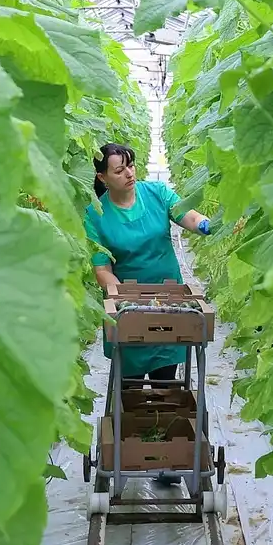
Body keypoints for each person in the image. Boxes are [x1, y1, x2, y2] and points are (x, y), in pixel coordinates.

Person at [84, 143, 212, 384]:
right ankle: (136, 420)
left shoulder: (157, 193)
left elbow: (188, 215)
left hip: (170, 301)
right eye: (119, 170)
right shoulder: (95, 215)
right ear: (103, 177)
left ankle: (164, 420)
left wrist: (203, 223)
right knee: (130, 387)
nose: (129, 173)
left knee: (166, 383)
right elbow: (102, 269)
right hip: (129, 309)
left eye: (130, 166)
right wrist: (126, 300)